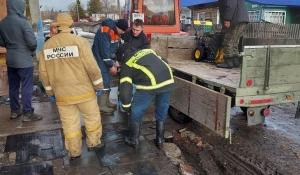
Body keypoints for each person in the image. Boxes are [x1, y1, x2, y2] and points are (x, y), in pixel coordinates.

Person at [39, 13, 105, 159]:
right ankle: (94, 143)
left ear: (57, 25)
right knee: (91, 117)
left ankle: (74, 151)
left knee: (69, 124)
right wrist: (98, 86)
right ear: (70, 25)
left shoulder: (47, 45)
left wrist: (50, 93)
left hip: (62, 95)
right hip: (84, 92)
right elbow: (92, 67)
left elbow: (43, 73)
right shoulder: (79, 41)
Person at [116, 43, 176, 149]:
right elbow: (164, 60)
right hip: (168, 79)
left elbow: (125, 90)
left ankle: (133, 140)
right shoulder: (147, 51)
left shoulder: (127, 64)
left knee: (137, 110)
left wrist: (126, 107)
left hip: (149, 83)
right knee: (162, 108)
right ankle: (160, 139)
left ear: (121, 56)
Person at [0, 0, 43, 122]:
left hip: (11, 59)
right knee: (27, 86)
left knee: (13, 86)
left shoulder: (2, 23)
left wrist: (10, 45)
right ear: (18, 8)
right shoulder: (23, 23)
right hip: (24, 60)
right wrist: (28, 49)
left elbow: (1, 41)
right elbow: (32, 43)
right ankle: (27, 113)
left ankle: (14, 111)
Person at [92, 18, 128, 114]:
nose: (123, 33)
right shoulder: (106, 31)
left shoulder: (116, 33)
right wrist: (111, 65)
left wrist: (115, 61)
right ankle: (101, 105)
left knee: (107, 79)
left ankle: (106, 102)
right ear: (118, 27)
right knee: (104, 79)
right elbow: (105, 52)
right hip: (99, 58)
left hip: (106, 58)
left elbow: (113, 50)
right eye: (123, 30)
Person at [216, 0, 249, 69]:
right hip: (241, 19)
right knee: (234, 42)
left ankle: (228, 62)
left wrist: (227, 19)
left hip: (235, 20)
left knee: (228, 41)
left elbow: (230, 5)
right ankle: (235, 61)